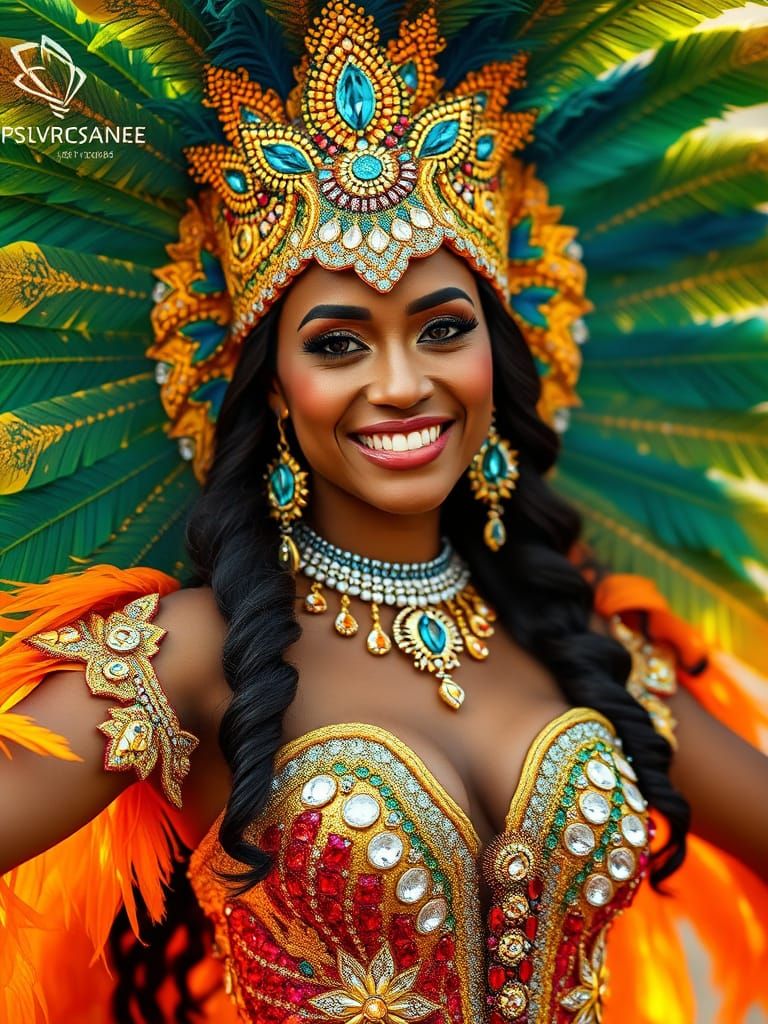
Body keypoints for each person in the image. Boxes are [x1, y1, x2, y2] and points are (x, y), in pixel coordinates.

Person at [1, 2, 767, 1023]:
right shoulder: (188, 652)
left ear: (498, 358)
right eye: (337, 342)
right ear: (270, 388)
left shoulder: (584, 649)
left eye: (443, 329)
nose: (403, 383)